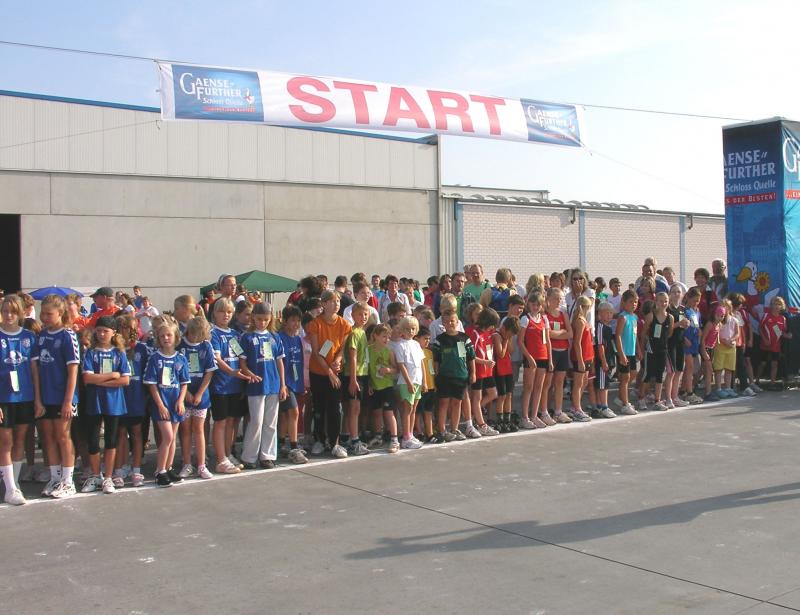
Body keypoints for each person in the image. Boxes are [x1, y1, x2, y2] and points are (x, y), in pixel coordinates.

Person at [32, 295, 80, 498]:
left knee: (63, 436)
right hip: (46, 396)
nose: (44, 317)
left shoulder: (68, 335)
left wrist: (68, 401)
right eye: (42, 313)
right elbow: (36, 367)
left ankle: (68, 482)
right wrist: (38, 399)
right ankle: (55, 478)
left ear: (60, 313)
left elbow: (73, 371)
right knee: (48, 438)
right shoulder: (42, 335)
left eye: (49, 314)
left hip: (64, 397)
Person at [80, 316, 131, 494]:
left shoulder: (119, 353)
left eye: (105, 331)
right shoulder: (91, 352)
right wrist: (112, 376)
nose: (102, 334)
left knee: (111, 440)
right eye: (99, 330)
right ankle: (95, 475)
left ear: (113, 332)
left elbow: (125, 380)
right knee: (93, 440)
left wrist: (100, 381)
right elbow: (87, 378)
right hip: (95, 401)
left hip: (114, 402)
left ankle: (108, 477)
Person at [144, 315, 191, 487]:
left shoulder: (180, 358)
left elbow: (184, 382)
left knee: (173, 438)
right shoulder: (155, 358)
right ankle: (160, 471)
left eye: (169, 335)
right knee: (168, 437)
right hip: (162, 403)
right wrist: (160, 405)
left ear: (175, 336)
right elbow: (151, 384)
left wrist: (181, 401)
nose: (166, 338)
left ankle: (169, 468)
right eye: (162, 335)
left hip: (175, 403)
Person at [0, 295, 38, 504]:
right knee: (5, 441)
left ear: (21, 313)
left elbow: (34, 370)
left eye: (13, 312)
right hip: (4, 398)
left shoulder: (29, 337)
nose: (9, 315)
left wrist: (38, 399)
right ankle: (10, 488)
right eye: (5, 311)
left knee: (20, 440)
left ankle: (13, 484)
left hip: (25, 396)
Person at [239, 302, 286, 470]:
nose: (262, 323)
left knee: (270, 422)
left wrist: (283, 385)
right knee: (256, 421)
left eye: (266, 319)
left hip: (273, 384)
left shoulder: (275, 337)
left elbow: (279, 361)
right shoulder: (247, 337)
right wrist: (249, 374)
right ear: (253, 318)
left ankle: (267, 456)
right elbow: (242, 363)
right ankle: (249, 456)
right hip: (256, 385)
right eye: (259, 319)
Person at [306, 290, 352, 458]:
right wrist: (329, 372)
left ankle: (335, 443)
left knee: (334, 408)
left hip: (335, 370)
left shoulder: (344, 324)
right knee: (319, 407)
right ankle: (319, 439)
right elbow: (316, 352)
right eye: (332, 301)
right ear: (324, 304)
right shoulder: (315, 324)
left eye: (338, 301)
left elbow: (342, 349)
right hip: (318, 371)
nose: (336, 304)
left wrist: (338, 361)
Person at [209, 298, 247, 474]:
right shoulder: (213, 333)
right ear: (215, 313)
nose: (226, 315)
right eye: (222, 311)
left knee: (232, 421)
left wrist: (245, 373)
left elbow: (240, 356)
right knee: (220, 422)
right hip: (220, 385)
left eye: (229, 312)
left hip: (235, 385)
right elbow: (217, 358)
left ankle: (228, 453)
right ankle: (220, 458)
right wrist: (231, 372)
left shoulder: (234, 334)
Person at [176, 315, 217, 479]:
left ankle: (201, 465)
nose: (197, 338)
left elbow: (209, 372)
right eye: (195, 335)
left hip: (201, 394)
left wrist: (199, 393)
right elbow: (176, 372)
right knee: (185, 430)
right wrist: (185, 393)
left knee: (199, 429)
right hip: (184, 394)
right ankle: (187, 463)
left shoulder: (206, 346)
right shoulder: (180, 345)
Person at [115, 313, 150, 487]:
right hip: (119, 398)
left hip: (137, 398)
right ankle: (120, 468)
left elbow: (148, 374)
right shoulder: (115, 349)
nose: (125, 331)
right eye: (121, 328)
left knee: (137, 434)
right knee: (120, 433)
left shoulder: (142, 349)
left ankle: (136, 469)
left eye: (129, 328)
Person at [431, 310, 475, 442]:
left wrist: (473, 373)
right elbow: (436, 360)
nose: (450, 323)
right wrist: (435, 375)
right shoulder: (440, 340)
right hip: (444, 376)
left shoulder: (464, 338)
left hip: (461, 376)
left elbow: (471, 357)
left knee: (457, 403)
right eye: (447, 321)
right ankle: (442, 430)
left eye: (452, 321)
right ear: (443, 323)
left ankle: (454, 429)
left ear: (457, 322)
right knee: (443, 403)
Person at [277, 306, 308, 464]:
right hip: (284, 382)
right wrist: (282, 384)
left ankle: (282, 443)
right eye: (293, 320)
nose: (296, 324)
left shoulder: (297, 339)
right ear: (285, 321)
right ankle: (294, 446)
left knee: (286, 414)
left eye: (298, 321)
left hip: (295, 381)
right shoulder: (280, 338)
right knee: (294, 412)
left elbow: (300, 362)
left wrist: (301, 384)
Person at [518, 292, 552, 429]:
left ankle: (534, 416)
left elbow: (547, 340)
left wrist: (550, 359)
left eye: (538, 304)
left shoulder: (544, 319)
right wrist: (529, 357)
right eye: (533, 304)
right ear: (529, 304)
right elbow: (520, 341)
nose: (536, 307)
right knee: (528, 387)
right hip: (531, 358)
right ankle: (525, 417)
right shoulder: (525, 319)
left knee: (539, 387)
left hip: (543, 357)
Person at [465, 308, 500, 437]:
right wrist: (485, 362)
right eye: (492, 324)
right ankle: (481, 425)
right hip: (478, 370)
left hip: (487, 370)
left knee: (493, 393)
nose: (493, 327)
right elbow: (470, 356)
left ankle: (473, 413)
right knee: (477, 397)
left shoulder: (488, 333)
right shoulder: (474, 333)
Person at [342, 302, 371, 455]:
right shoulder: (353, 333)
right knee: (354, 408)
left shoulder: (362, 332)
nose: (363, 317)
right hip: (354, 375)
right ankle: (354, 440)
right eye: (360, 314)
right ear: (353, 315)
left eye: (365, 314)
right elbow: (352, 357)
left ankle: (349, 437)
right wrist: (353, 380)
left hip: (363, 374)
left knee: (355, 409)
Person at [366, 323, 400, 452]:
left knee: (389, 412)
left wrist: (388, 370)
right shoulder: (368, 350)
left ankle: (394, 439)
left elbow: (396, 369)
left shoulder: (389, 351)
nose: (387, 339)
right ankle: (378, 436)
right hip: (375, 387)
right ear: (375, 336)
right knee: (376, 412)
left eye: (388, 336)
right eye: (384, 336)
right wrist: (369, 383)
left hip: (387, 386)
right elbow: (367, 368)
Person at [542, 287, 572, 424]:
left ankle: (558, 411)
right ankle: (544, 411)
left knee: (559, 383)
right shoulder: (545, 315)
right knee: (547, 383)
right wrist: (562, 332)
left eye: (560, 299)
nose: (558, 301)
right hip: (551, 351)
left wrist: (557, 334)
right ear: (548, 299)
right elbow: (547, 334)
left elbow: (570, 333)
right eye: (555, 298)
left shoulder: (563, 314)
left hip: (563, 351)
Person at [641, 292, 674, 411]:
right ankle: (641, 398)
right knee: (648, 374)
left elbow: (669, 334)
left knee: (660, 375)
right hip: (651, 349)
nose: (663, 303)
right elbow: (643, 333)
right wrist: (641, 349)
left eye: (665, 301)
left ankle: (657, 400)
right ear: (656, 302)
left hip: (663, 349)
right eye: (661, 301)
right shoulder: (651, 316)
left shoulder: (670, 318)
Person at [568, 296, 594, 422]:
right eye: (588, 307)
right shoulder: (579, 321)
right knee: (578, 384)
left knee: (584, 382)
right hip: (581, 356)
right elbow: (577, 342)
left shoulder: (583, 320)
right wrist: (580, 360)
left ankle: (576, 406)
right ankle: (576, 408)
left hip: (587, 355)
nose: (589, 309)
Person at [492, 316, 520, 432]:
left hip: (507, 368)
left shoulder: (506, 337)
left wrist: (508, 339)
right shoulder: (497, 336)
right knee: (502, 395)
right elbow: (501, 354)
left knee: (509, 394)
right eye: (509, 334)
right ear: (503, 328)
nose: (509, 336)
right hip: (499, 369)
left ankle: (507, 419)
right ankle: (500, 420)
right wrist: (505, 341)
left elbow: (511, 350)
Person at [614, 290, 640, 415]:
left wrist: (638, 348)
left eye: (635, 302)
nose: (634, 304)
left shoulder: (635, 317)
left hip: (632, 352)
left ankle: (621, 397)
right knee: (625, 378)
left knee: (633, 374)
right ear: (624, 303)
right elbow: (618, 335)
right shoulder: (622, 317)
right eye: (631, 302)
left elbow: (635, 334)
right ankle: (625, 404)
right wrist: (621, 354)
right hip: (624, 352)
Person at [665, 285, 690, 408]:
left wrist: (685, 325)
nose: (676, 294)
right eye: (674, 292)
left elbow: (681, 327)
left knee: (679, 370)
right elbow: (666, 328)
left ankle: (675, 397)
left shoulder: (682, 309)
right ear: (669, 294)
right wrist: (679, 323)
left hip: (680, 343)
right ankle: (668, 398)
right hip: (670, 344)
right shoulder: (667, 309)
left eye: (678, 292)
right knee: (671, 372)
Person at [758, 296, 790, 389]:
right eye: (774, 304)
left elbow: (779, 332)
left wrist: (787, 335)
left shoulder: (782, 318)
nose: (776, 306)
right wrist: (765, 339)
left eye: (778, 304)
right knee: (762, 364)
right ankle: (756, 380)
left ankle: (772, 383)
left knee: (774, 364)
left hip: (776, 346)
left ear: (781, 306)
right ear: (771, 305)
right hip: (765, 345)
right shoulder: (766, 316)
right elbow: (760, 328)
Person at [592, 303, 617, 419]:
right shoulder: (600, 327)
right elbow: (600, 345)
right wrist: (604, 361)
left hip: (608, 359)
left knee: (604, 384)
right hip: (602, 361)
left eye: (611, 313)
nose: (609, 315)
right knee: (603, 385)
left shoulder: (608, 327)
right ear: (599, 314)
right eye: (607, 312)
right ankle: (604, 407)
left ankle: (600, 405)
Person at [680, 288, 704, 404]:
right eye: (694, 300)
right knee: (690, 367)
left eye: (698, 301)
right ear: (688, 298)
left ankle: (683, 389)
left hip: (694, 342)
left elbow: (697, 324)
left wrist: (699, 331)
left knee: (689, 368)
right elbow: (680, 327)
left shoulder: (697, 311)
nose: (696, 303)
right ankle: (690, 393)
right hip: (687, 342)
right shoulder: (683, 311)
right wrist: (684, 339)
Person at [712, 299, 739, 399]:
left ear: (730, 308)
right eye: (722, 306)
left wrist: (732, 340)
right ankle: (718, 388)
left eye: (726, 306)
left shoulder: (734, 320)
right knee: (719, 368)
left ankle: (728, 388)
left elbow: (737, 333)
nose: (724, 308)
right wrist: (724, 341)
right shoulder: (719, 320)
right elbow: (717, 333)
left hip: (731, 347)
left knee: (729, 368)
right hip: (720, 346)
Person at [415, 326, 438, 442]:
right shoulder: (415, 351)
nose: (427, 341)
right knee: (417, 411)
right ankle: (419, 432)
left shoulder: (429, 352)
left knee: (428, 410)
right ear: (417, 338)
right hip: (420, 387)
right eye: (425, 338)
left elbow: (431, 370)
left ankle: (430, 433)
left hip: (431, 386)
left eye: (428, 339)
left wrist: (434, 383)